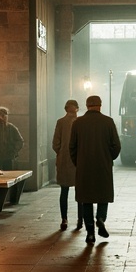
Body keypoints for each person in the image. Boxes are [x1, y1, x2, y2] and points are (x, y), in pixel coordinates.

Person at [69, 94, 121, 244]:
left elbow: (72, 147)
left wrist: (78, 162)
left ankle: (90, 233)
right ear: (100, 105)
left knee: (86, 200)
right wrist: (108, 158)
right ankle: (100, 218)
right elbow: (116, 146)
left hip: (84, 167)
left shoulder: (78, 123)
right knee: (103, 196)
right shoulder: (108, 122)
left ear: (86, 106)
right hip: (102, 166)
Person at [51, 99, 80, 230]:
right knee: (80, 192)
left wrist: (61, 152)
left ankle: (64, 219)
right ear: (77, 109)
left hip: (64, 161)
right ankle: (80, 219)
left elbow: (55, 142)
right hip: (79, 161)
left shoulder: (60, 122)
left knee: (64, 190)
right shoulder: (81, 122)